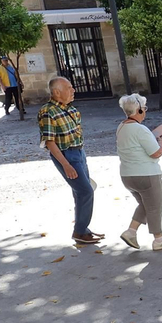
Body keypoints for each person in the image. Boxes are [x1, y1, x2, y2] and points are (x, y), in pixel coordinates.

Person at [39, 77, 100, 245]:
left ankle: (83, 229)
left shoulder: (71, 110)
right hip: (66, 155)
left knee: (80, 192)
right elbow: (49, 142)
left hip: (79, 152)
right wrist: (66, 164)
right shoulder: (48, 111)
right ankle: (80, 231)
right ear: (57, 92)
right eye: (69, 87)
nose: (73, 90)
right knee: (86, 191)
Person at [115, 93, 162, 251]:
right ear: (139, 110)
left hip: (127, 174)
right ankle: (158, 238)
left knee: (146, 204)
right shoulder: (141, 129)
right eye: (144, 108)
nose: (145, 111)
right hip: (146, 173)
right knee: (156, 204)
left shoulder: (121, 127)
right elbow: (155, 153)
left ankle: (131, 231)